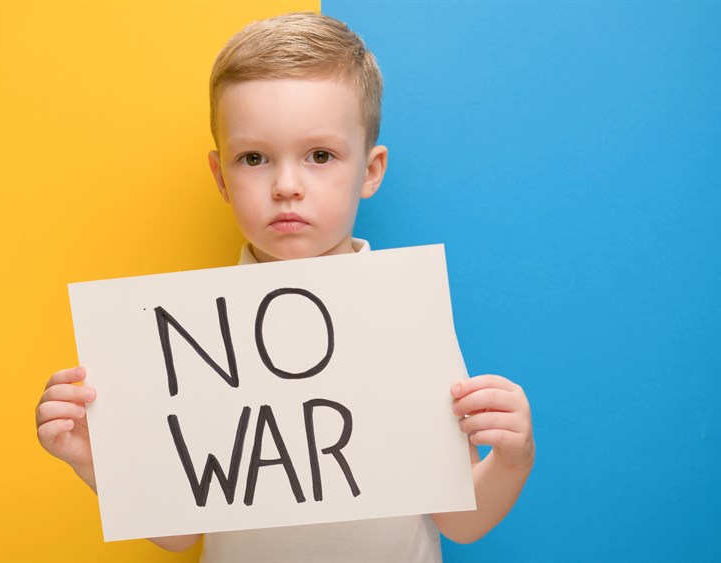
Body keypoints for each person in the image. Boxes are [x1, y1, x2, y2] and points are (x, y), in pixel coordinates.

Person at [35, 12, 534, 562]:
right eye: (254, 158)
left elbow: (461, 522)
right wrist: (94, 459)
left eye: (320, 156)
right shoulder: (193, 339)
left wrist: (512, 458)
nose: (287, 186)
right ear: (222, 177)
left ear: (371, 171)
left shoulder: (406, 315)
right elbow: (180, 533)